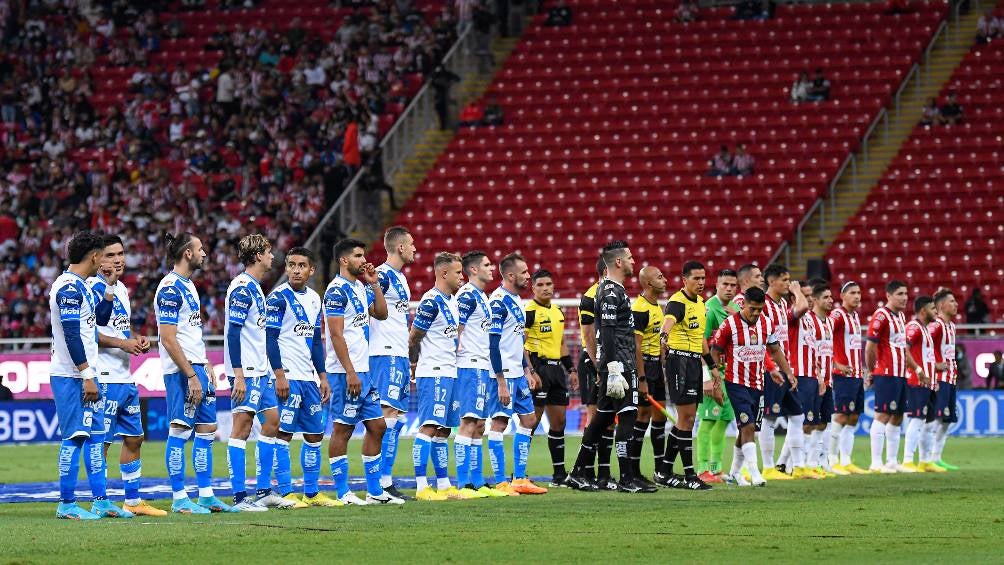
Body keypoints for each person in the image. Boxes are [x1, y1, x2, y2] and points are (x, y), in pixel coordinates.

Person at [50, 231, 129, 520]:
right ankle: (66, 504)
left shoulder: (82, 286)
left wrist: (108, 288)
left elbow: (101, 320)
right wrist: (86, 374)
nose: (107, 261)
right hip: (71, 375)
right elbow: (72, 335)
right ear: (94, 256)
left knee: (94, 437)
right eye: (104, 255)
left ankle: (100, 500)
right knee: (74, 437)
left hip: (85, 373)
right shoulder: (68, 288)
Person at [568, 241, 655, 493]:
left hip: (619, 364)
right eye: (629, 258)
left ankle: (577, 472)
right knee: (627, 415)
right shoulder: (608, 292)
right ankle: (626, 477)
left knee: (602, 419)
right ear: (617, 262)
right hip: (618, 366)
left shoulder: (615, 290)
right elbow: (605, 332)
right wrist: (614, 368)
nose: (633, 262)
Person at [157, 232, 233, 514]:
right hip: (181, 371)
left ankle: (206, 495)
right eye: (200, 249)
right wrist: (190, 374)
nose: (205, 253)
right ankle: (179, 498)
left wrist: (204, 364)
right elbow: (168, 338)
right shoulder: (170, 289)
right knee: (179, 430)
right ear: (188, 253)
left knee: (206, 431)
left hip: (197, 366)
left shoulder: (188, 286)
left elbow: (189, 333)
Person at [89, 234, 163, 517]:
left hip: (125, 376)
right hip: (103, 376)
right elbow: (88, 332)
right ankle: (100, 501)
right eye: (110, 255)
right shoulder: (92, 287)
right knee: (102, 441)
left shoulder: (120, 288)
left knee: (134, 438)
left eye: (121, 253)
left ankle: (133, 501)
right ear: (97, 258)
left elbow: (119, 328)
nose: (118, 259)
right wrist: (123, 343)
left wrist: (136, 339)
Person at [324, 238, 400, 505]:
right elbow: (335, 335)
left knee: (378, 427)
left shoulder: (358, 287)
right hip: (346, 372)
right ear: (344, 260)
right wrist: (350, 372)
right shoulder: (336, 291)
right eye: (358, 256)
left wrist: (374, 283)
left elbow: (381, 313)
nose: (363, 259)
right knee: (342, 430)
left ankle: (374, 491)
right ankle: (343, 492)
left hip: (364, 371)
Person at [266, 247, 341, 507]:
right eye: (291, 265)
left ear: (311, 270)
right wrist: (279, 375)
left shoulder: (314, 299)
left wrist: (322, 376)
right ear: (286, 268)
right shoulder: (278, 298)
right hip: (287, 375)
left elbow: (316, 342)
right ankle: (286, 492)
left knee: (314, 435)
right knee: (283, 434)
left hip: (308, 378)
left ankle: (311, 492)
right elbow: (270, 339)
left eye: (301, 265)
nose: (296, 270)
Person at [224, 234, 294, 511]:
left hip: (260, 370)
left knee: (272, 422)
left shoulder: (255, 288)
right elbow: (233, 333)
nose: (272, 257)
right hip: (247, 371)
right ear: (256, 256)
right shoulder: (242, 288)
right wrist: (238, 374)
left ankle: (264, 491)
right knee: (241, 428)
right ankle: (240, 498)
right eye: (267, 252)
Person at [712, 286, 794, 487]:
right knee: (748, 425)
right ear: (744, 304)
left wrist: (787, 372)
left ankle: (734, 473)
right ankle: (755, 472)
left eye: (760, 309)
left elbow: (775, 350)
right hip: (735, 382)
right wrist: (715, 380)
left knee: (748, 429)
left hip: (758, 383)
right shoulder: (729, 325)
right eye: (752, 309)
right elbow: (715, 351)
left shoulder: (766, 323)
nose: (756, 313)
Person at [485, 253, 548, 495]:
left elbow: (518, 340)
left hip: (518, 373)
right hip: (503, 375)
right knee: (499, 423)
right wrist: (500, 381)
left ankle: (520, 478)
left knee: (529, 420)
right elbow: (493, 344)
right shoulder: (498, 302)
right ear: (511, 275)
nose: (528, 276)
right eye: (524, 272)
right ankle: (501, 481)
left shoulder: (517, 301)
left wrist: (527, 370)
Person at [410, 252, 469, 501]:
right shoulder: (430, 301)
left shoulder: (452, 302)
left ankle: (444, 485)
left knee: (444, 429)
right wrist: (414, 362)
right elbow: (414, 336)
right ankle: (422, 486)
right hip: (433, 371)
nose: (461, 277)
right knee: (429, 427)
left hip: (450, 371)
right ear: (444, 273)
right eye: (458, 273)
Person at [656, 261, 718, 490]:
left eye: (703, 278)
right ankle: (690, 475)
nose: (701, 283)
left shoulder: (701, 304)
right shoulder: (677, 302)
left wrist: (710, 365)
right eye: (696, 279)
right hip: (679, 361)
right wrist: (664, 337)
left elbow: (702, 339)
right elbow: (669, 321)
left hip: (693, 362)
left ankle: (664, 470)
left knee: (687, 419)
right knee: (687, 418)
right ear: (684, 280)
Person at [455, 251, 508, 497]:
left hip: (482, 366)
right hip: (469, 364)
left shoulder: (482, 297)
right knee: (467, 422)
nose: (491, 268)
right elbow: (457, 328)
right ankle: (462, 483)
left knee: (478, 425)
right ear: (473, 269)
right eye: (487, 265)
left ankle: (476, 481)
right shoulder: (466, 295)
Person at [370, 227, 417, 501]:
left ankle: (386, 480)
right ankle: (379, 483)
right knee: (386, 415)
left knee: (397, 419)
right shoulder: (383, 276)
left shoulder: (399, 278)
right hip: (383, 353)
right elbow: (362, 307)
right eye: (411, 244)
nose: (414, 249)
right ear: (400, 248)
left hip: (397, 354)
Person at [865, 280, 928, 473]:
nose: (904, 298)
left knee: (898, 416)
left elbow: (903, 349)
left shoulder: (901, 317)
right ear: (889, 296)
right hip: (886, 372)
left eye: (906, 294)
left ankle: (892, 461)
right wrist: (871, 370)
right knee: (883, 414)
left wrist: (916, 369)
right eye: (900, 294)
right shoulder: (881, 315)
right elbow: (870, 347)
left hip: (901, 373)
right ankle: (876, 462)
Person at [525, 269, 578, 487]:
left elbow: (562, 344)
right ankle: (518, 473)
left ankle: (558, 475)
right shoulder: (529, 311)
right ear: (533, 288)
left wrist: (571, 370)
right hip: (539, 368)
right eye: (541, 285)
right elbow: (522, 344)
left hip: (557, 371)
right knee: (531, 422)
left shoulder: (558, 311)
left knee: (560, 422)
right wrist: (530, 371)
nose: (546, 288)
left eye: (549, 284)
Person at [758, 264, 805, 482]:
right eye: (784, 280)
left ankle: (799, 465)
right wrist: (773, 368)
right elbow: (765, 343)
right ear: (771, 282)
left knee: (797, 415)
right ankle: (767, 467)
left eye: (789, 280)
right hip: (770, 370)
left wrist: (789, 370)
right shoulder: (763, 306)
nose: (788, 283)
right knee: (769, 416)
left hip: (786, 369)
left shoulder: (782, 305)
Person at [777, 281, 826, 480]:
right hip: (798, 374)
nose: (809, 300)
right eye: (805, 295)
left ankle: (784, 464)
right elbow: (802, 306)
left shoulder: (809, 322)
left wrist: (819, 375)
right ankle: (795, 465)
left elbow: (812, 350)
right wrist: (796, 291)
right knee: (802, 422)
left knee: (809, 422)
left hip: (810, 375)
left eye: (810, 295)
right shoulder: (792, 316)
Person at [695, 268, 739, 485]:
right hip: (714, 374)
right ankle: (702, 468)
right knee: (708, 420)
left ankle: (716, 468)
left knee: (723, 421)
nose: (729, 289)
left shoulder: (735, 309)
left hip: (731, 375)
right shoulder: (709, 309)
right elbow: (701, 343)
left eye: (733, 285)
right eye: (725, 285)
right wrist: (707, 376)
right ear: (717, 285)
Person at [575, 258, 616, 490]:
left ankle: (603, 474)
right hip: (594, 363)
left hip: (607, 363)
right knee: (595, 420)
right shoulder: (592, 296)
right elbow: (588, 335)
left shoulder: (612, 294)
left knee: (608, 421)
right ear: (605, 271)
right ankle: (584, 472)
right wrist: (598, 364)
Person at [630, 266, 667, 487]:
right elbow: (636, 346)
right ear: (648, 284)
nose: (665, 280)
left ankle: (660, 469)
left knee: (660, 416)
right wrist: (641, 379)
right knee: (642, 417)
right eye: (660, 277)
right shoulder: (640, 309)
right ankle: (633, 471)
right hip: (644, 369)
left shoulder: (656, 307)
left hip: (656, 368)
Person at [828, 281, 869, 474]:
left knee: (853, 417)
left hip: (856, 374)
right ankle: (831, 460)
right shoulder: (837, 315)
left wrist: (864, 371)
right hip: (841, 374)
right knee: (841, 415)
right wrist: (836, 364)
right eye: (852, 293)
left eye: (859, 292)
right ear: (842, 296)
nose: (857, 296)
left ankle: (846, 460)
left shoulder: (854, 317)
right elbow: (825, 338)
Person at [901, 295, 939, 473]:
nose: (936, 311)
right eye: (933, 308)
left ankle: (925, 461)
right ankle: (908, 461)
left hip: (928, 382)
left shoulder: (925, 330)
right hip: (917, 381)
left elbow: (928, 358)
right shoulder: (913, 327)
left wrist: (933, 376)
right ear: (923, 310)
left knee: (930, 422)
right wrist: (918, 371)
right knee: (917, 419)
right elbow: (904, 350)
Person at [806, 282, 836, 476]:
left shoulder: (830, 321)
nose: (830, 300)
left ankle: (818, 460)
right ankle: (802, 462)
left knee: (824, 421)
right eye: (825, 297)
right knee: (809, 422)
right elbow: (808, 350)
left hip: (829, 378)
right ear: (815, 300)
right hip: (813, 378)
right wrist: (817, 376)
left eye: (831, 297)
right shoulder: (808, 320)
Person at [929, 288, 960, 470]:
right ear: (941, 305)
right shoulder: (936, 325)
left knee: (947, 420)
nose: (956, 304)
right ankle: (927, 458)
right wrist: (934, 364)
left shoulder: (952, 326)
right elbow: (921, 346)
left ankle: (936, 456)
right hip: (938, 378)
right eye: (952, 301)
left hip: (950, 377)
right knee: (934, 418)